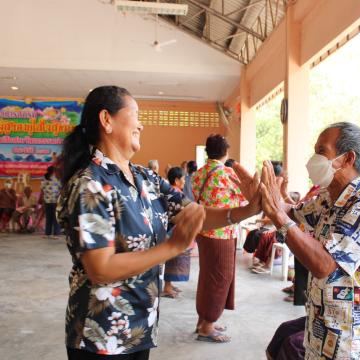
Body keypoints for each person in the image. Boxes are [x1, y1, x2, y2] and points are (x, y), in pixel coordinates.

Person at [55, 86, 261, 359]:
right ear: (107, 120)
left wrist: (248, 209)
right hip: (100, 332)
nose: (141, 124)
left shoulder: (144, 178)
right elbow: (100, 269)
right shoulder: (90, 184)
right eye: (135, 114)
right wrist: (172, 247)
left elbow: (195, 214)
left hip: (141, 325)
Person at [261, 122, 360, 359]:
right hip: (321, 327)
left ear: (348, 158)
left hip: (346, 338)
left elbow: (325, 265)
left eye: (322, 151)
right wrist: (263, 198)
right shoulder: (329, 199)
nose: (314, 159)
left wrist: (276, 214)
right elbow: (292, 213)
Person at [191, 134, 246, 343]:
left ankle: (203, 320)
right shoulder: (226, 173)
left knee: (207, 276)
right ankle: (207, 326)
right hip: (222, 233)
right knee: (220, 278)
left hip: (203, 231)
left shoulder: (198, 173)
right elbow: (244, 198)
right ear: (226, 151)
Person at [162, 167, 191, 298]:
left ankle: (169, 284)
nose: (184, 182)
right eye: (183, 179)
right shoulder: (176, 194)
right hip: (172, 231)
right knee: (173, 259)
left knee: (173, 259)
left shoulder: (170, 192)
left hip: (170, 229)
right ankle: (167, 287)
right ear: (176, 180)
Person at [40, 165, 61, 239]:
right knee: (55, 218)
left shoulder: (44, 178)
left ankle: (47, 234)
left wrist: (42, 199)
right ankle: (56, 234)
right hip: (55, 201)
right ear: (53, 171)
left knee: (48, 218)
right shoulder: (57, 178)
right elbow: (61, 189)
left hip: (47, 201)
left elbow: (42, 190)